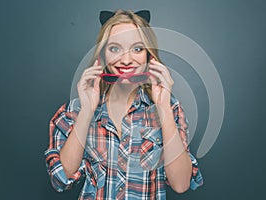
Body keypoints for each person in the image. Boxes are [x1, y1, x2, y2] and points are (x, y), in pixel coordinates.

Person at [45, 9, 203, 200]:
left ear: (149, 57)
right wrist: (87, 111)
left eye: (137, 48)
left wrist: (163, 108)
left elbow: (181, 184)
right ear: (102, 56)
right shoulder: (72, 112)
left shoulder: (170, 108)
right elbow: (61, 180)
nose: (126, 60)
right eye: (114, 48)